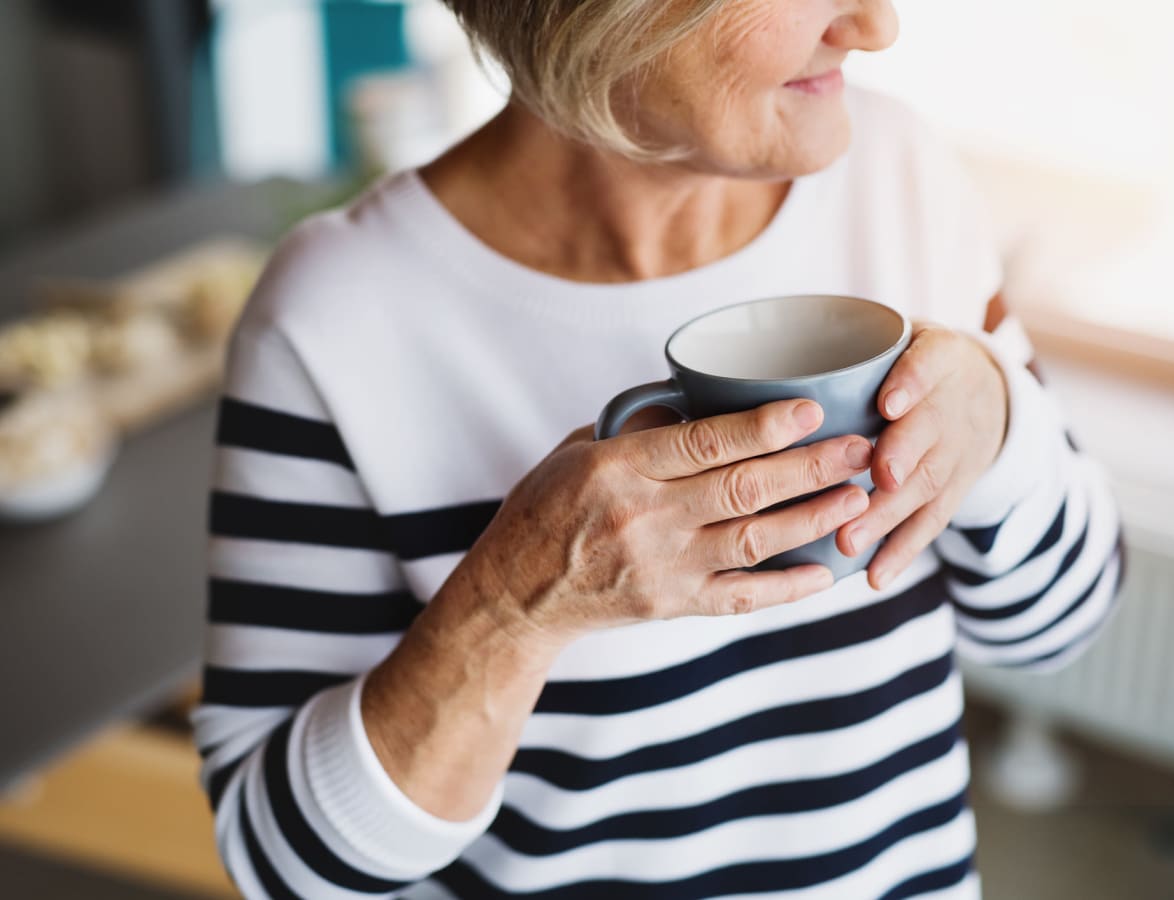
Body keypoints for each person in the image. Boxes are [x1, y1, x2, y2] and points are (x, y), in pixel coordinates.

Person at [192, 1, 1125, 896]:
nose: (877, 26)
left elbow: (1058, 626)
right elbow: (285, 868)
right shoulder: (333, 320)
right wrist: (513, 608)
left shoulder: (897, 174)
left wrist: (1000, 426)